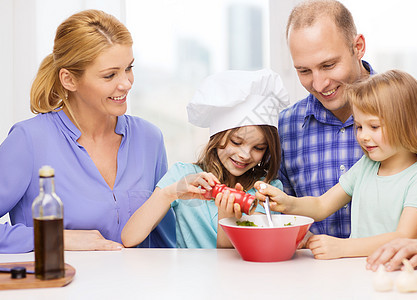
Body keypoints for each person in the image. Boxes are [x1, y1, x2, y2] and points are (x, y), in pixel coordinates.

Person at [279, 0, 417, 241]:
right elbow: (286, 215)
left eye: (329, 65)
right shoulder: (287, 126)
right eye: (304, 71)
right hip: (315, 273)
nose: (318, 84)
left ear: (358, 47)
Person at [0, 9, 176, 253]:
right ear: (69, 80)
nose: (126, 83)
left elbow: (165, 243)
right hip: (57, 289)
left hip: (138, 290)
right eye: (110, 75)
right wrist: (57, 238)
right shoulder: (28, 141)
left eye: (129, 68)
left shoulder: (149, 139)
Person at [255, 69, 417, 259]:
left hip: (398, 275)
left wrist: (343, 248)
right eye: (359, 126)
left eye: (374, 126)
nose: (363, 136)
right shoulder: (367, 166)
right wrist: (288, 204)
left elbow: (403, 237)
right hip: (359, 272)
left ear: (408, 125)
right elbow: (321, 205)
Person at [121, 69, 289, 248]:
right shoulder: (183, 174)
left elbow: (238, 261)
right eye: (236, 141)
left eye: (258, 148)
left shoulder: (265, 190)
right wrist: (171, 192)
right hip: (189, 276)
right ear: (218, 136)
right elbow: (130, 238)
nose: (245, 155)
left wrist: (227, 217)